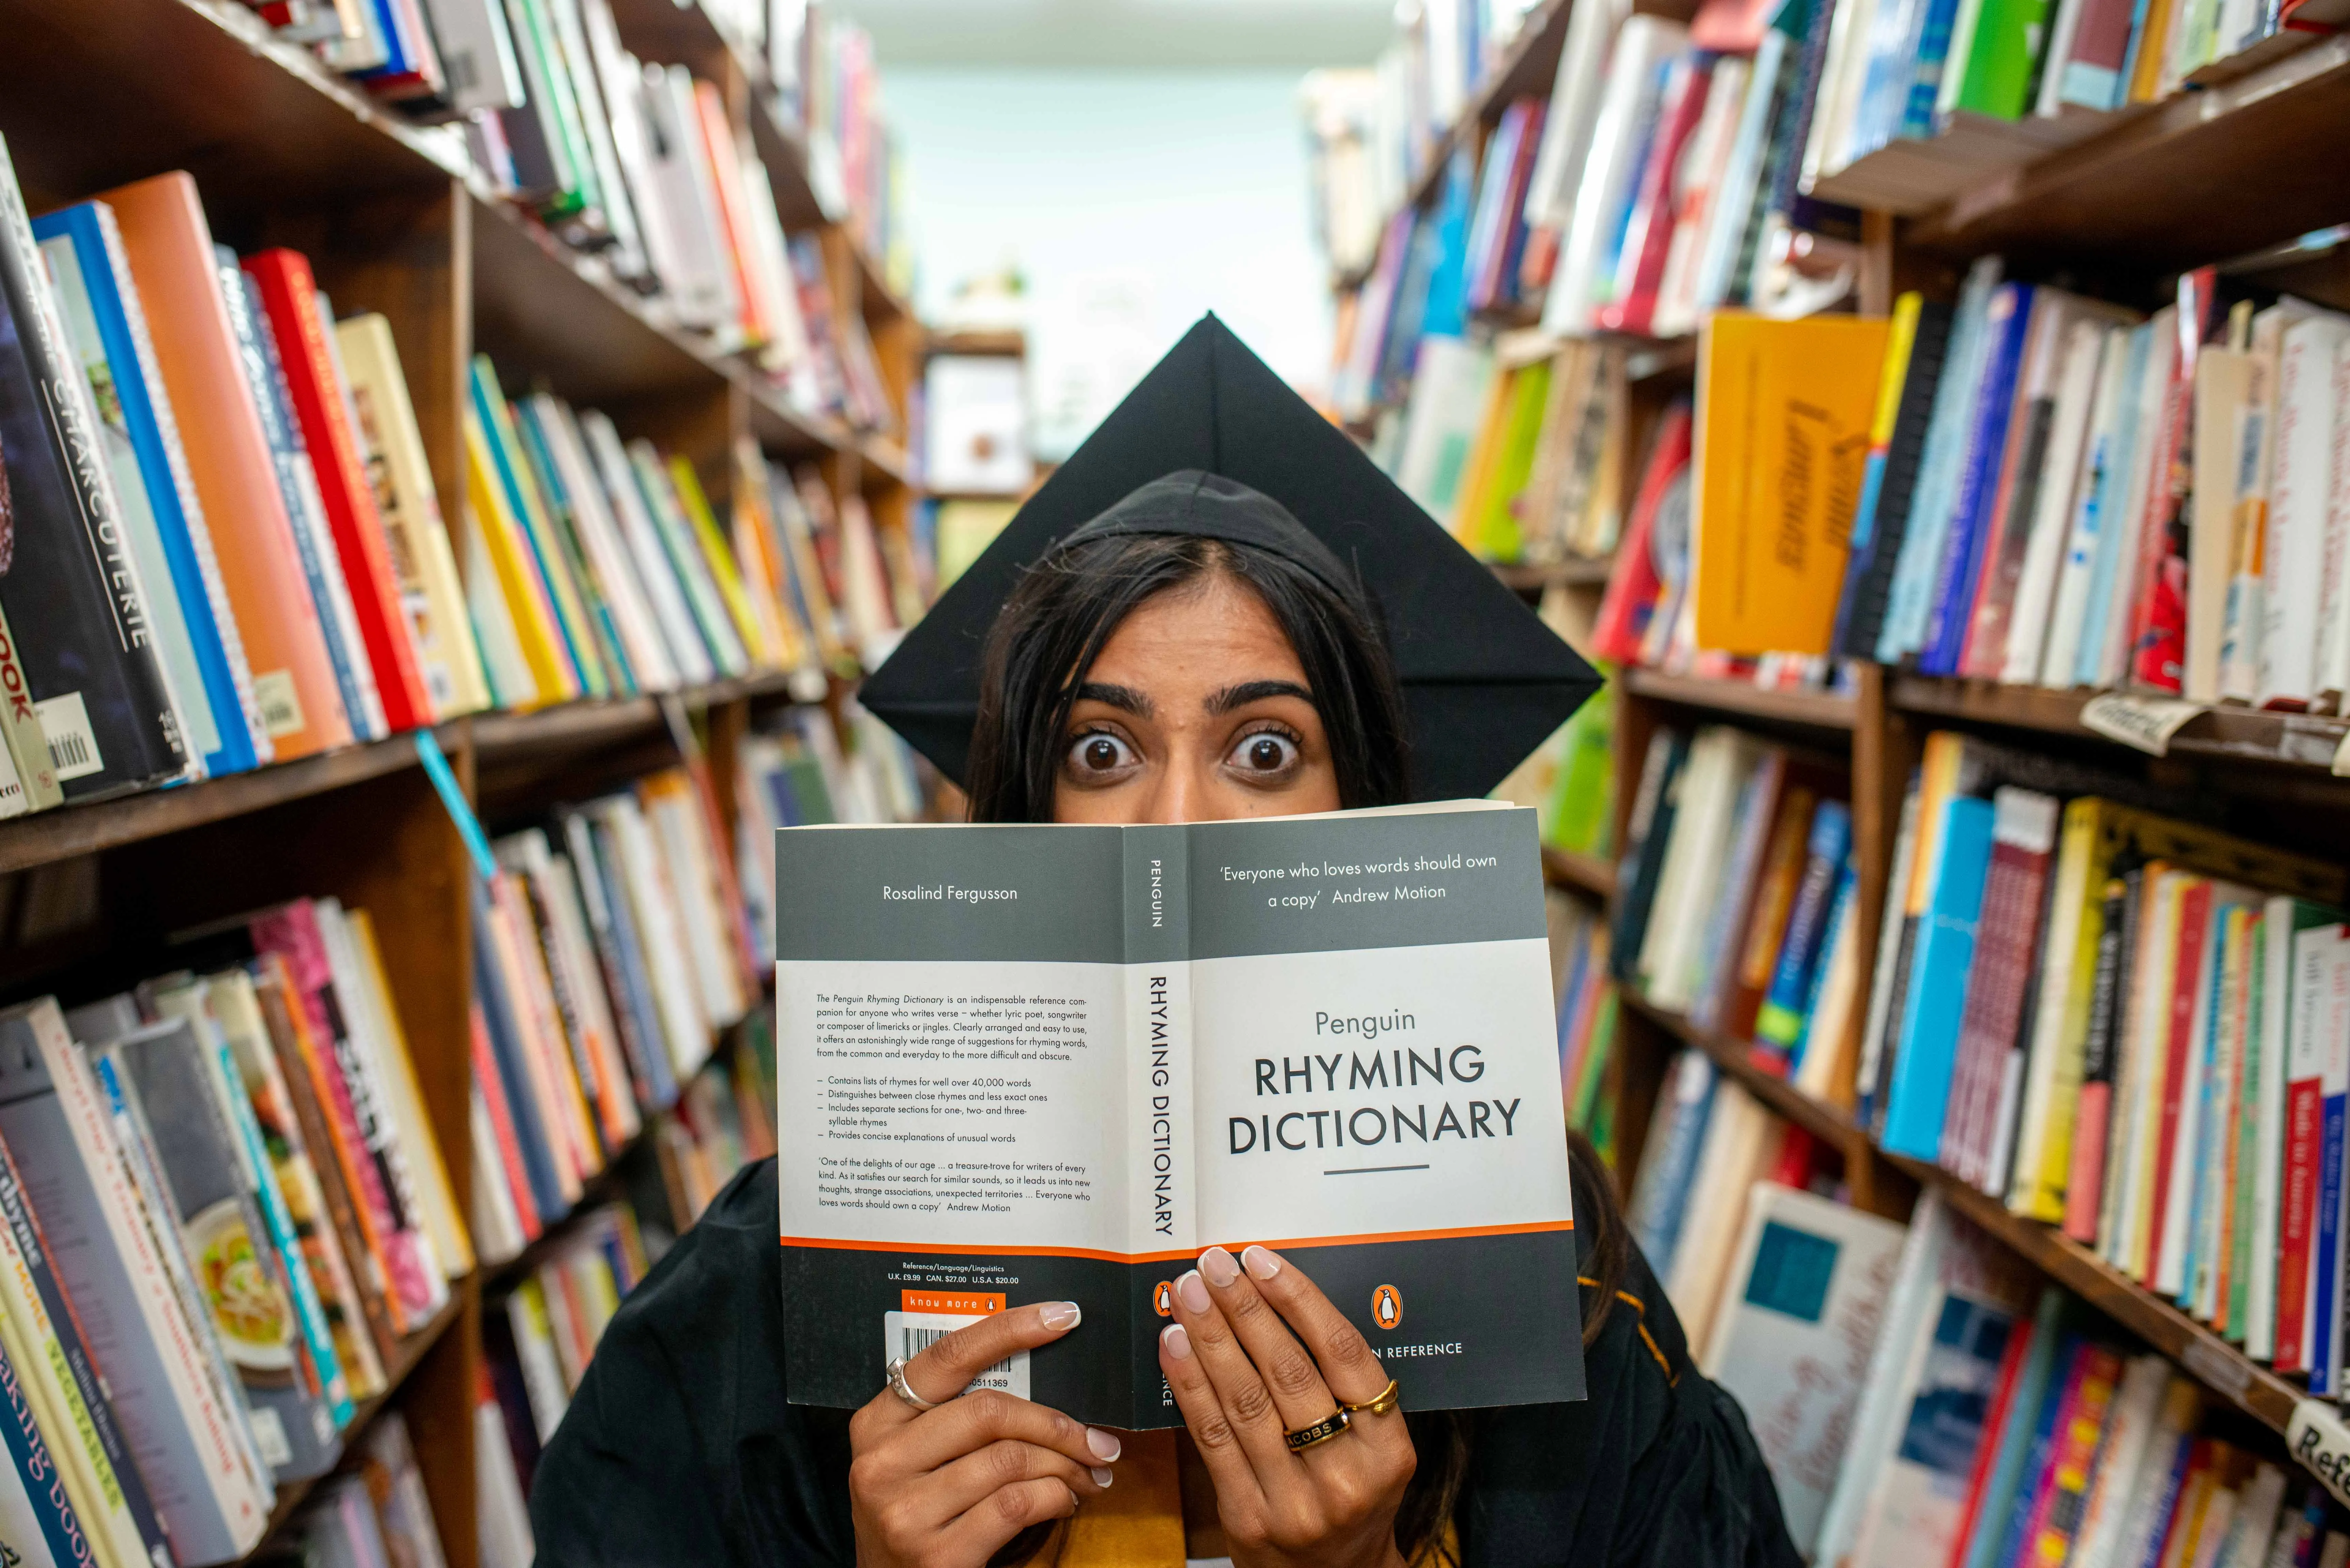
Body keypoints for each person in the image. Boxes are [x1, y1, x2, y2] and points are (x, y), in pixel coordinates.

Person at [528, 320, 1801, 1568]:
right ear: (1027, 807)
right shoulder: (781, 1279)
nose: (1179, 820)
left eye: (1265, 749)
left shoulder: (1549, 1276)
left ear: (1358, 808)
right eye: (1102, 750)